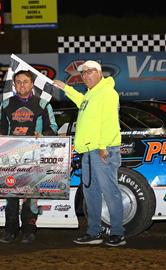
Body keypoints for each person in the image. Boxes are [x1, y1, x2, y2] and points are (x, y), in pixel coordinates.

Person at [53, 60, 125, 247]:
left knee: (110, 192)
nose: (85, 76)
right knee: (91, 193)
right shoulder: (91, 94)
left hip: (102, 150)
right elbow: (80, 101)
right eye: (83, 73)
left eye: (89, 72)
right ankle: (94, 232)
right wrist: (65, 88)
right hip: (89, 150)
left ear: (99, 72)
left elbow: (109, 122)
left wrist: (102, 147)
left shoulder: (107, 92)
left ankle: (118, 232)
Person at [0, 70, 58, 244]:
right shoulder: (6, 104)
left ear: (32, 85)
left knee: (31, 196)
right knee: (10, 194)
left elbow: (53, 127)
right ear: (14, 85)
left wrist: (43, 134)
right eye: (18, 82)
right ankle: (10, 231)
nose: (22, 84)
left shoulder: (43, 104)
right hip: (11, 156)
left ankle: (29, 231)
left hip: (35, 156)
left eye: (25, 81)